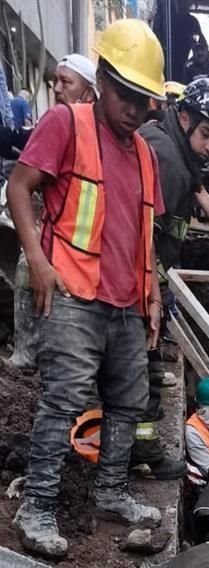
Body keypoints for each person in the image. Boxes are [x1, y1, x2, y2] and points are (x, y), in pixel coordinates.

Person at [7, 18, 166, 559]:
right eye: (124, 94)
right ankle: (38, 507)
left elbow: (144, 230)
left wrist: (153, 294)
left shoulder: (145, 154)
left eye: (143, 99)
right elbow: (19, 184)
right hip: (74, 292)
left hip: (126, 301)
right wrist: (36, 258)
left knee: (129, 403)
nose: (133, 107)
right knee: (63, 400)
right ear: (102, 79)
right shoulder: (65, 123)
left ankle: (112, 492)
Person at [134, 76, 209, 479]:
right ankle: (141, 450)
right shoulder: (166, 159)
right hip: (141, 276)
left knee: (145, 362)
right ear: (184, 117)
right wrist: (154, 296)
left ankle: (138, 445)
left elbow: (200, 192)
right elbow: (144, 232)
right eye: (207, 135)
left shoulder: (179, 153)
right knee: (144, 361)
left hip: (151, 273)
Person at [10, 54, 100, 371]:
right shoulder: (67, 124)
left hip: (75, 255)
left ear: (89, 92)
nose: (58, 89)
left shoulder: (70, 124)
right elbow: (23, 185)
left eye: (67, 82)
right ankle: (29, 355)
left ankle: (30, 356)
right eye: (56, 81)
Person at [153, 0, 202, 84]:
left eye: (189, 2)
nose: (186, 4)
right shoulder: (163, 18)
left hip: (182, 71)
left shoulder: (192, 22)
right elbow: (155, 41)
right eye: (182, 2)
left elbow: (200, 45)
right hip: (161, 71)